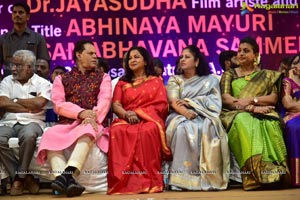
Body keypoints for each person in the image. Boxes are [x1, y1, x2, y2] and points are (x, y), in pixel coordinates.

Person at [36, 40, 112, 197]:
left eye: (95, 54)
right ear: (79, 55)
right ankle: (66, 181)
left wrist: (92, 116)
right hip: (69, 122)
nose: (95, 57)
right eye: (91, 53)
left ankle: (66, 176)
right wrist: (80, 113)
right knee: (50, 133)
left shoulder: (103, 77)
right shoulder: (62, 78)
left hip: (93, 121)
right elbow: (58, 104)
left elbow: (105, 101)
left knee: (89, 127)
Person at [220, 36, 291, 190]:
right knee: (245, 121)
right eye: (239, 51)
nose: (241, 54)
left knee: (271, 123)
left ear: (256, 55)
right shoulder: (229, 74)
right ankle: (255, 175)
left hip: (264, 111)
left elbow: (272, 98)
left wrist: (253, 99)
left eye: (246, 51)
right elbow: (226, 99)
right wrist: (251, 108)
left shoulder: (267, 75)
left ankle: (276, 173)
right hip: (235, 113)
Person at [107, 46, 172, 194]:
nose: (132, 60)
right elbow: (116, 105)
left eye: (136, 57)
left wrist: (140, 113)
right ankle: (122, 182)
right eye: (130, 58)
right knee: (117, 130)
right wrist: (127, 114)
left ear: (145, 61)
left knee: (148, 130)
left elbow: (162, 105)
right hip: (127, 118)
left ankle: (149, 181)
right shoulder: (122, 82)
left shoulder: (156, 80)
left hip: (149, 118)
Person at [165, 45, 230, 191]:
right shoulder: (175, 79)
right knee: (183, 129)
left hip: (206, 114)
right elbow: (173, 101)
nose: (182, 59)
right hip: (180, 115)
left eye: (187, 57)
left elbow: (215, 103)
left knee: (209, 128)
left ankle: (208, 177)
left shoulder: (211, 80)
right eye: (181, 57)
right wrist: (186, 112)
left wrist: (190, 102)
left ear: (197, 61)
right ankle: (181, 180)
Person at [0, 49, 51, 196]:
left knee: (28, 137)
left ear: (29, 67)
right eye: (12, 65)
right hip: (8, 122)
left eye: (17, 65)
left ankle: (18, 179)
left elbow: (39, 103)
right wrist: (28, 107)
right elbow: (3, 102)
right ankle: (24, 177)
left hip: (33, 122)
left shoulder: (43, 83)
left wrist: (14, 101)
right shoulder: (6, 81)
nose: (13, 68)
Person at [0, 2, 50, 79]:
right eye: (14, 12)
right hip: (9, 83)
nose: (17, 15)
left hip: (31, 83)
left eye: (20, 12)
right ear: (12, 16)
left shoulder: (38, 38)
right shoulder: (3, 39)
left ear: (28, 16)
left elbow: (44, 64)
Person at [281, 53, 300, 188]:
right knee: (294, 127)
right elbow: (288, 105)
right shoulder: (288, 82)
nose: (297, 66)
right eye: (295, 63)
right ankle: (297, 176)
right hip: (292, 116)